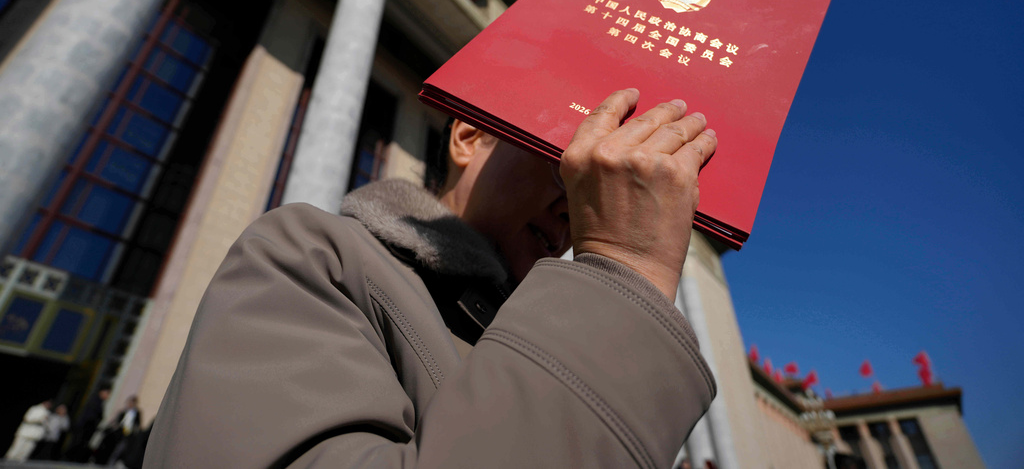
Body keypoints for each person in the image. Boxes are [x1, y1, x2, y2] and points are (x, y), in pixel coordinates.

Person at [145, 89, 719, 467]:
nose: (580, 203)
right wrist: (623, 265)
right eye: (560, 161)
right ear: (469, 137)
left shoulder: (534, 325)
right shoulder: (318, 256)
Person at [64, 386, 109, 462]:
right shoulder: (95, 401)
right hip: (84, 428)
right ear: (101, 392)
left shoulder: (99, 402)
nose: (108, 396)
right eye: (107, 393)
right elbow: (92, 416)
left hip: (87, 428)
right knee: (78, 443)